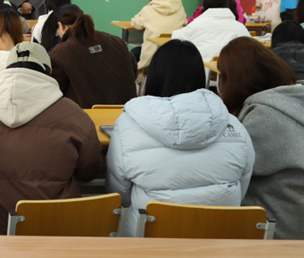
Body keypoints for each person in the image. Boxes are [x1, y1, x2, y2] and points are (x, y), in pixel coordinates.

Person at [106, 40, 255, 237]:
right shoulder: (234, 126)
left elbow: (119, 194)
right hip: (219, 242)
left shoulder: (127, 125)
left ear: (154, 76)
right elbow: (241, 188)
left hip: (149, 243)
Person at [0, 42, 102, 235]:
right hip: (56, 223)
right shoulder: (74, 114)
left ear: (7, 69)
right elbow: (89, 171)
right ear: (48, 72)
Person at [218, 37, 304, 239]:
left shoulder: (262, 117)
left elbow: (226, 169)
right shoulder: (294, 98)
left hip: (278, 232)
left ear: (235, 80)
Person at [48, 5, 137, 108]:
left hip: (88, 115)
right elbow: (133, 70)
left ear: (60, 25)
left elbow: (55, 90)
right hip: (128, 111)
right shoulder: (116, 41)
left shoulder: (59, 54)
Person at [172, 0, 250, 62]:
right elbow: (250, 51)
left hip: (201, 71)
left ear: (203, 7)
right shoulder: (240, 28)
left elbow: (175, 39)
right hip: (231, 71)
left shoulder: (194, 26)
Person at [130, 0, 187, 70]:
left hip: (152, 55)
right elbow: (184, 24)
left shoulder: (148, 9)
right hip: (175, 53)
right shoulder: (180, 8)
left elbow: (136, 24)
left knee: (132, 53)